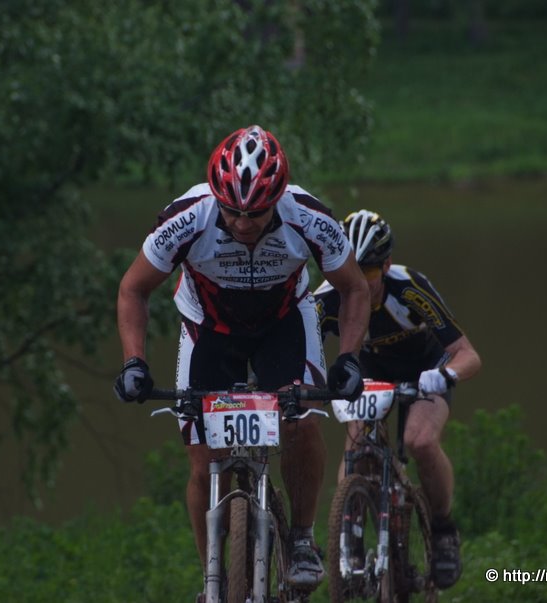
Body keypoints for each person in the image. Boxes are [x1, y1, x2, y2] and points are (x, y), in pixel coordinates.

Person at [114, 125, 370, 595]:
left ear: (279, 198)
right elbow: (133, 289)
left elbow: (354, 288)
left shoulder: (309, 218)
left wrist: (349, 359)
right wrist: (134, 362)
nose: (242, 223)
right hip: (209, 329)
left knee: (300, 420)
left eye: (255, 212)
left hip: (283, 323)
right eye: (231, 210)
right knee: (202, 461)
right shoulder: (187, 217)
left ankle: (301, 538)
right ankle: (212, 577)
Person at [313, 209, 481, 591]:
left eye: (368, 272)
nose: (358, 282)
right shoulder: (327, 298)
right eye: (350, 271)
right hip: (368, 369)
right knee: (356, 443)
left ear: (386, 266)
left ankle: (443, 529)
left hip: (425, 367)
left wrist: (445, 375)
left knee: (419, 441)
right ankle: (350, 535)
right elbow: (304, 357)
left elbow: (468, 355)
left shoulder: (409, 288)